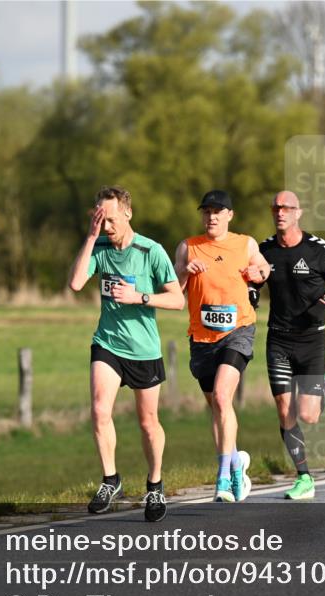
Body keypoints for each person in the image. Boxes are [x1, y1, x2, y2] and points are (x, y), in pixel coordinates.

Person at [67, 186, 184, 522]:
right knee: (100, 409)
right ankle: (110, 480)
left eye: (112, 220)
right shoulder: (100, 245)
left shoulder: (151, 251)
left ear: (128, 213)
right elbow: (76, 283)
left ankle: (155, 484)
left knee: (148, 423)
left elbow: (177, 300)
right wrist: (90, 238)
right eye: (101, 220)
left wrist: (139, 297)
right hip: (108, 343)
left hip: (144, 349)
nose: (107, 226)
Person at [249, 191, 325, 499]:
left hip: (311, 339)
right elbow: (253, 280)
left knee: (308, 416)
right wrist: (251, 290)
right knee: (284, 410)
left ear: (298, 212)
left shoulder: (317, 248)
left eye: (287, 208)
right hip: (278, 338)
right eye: (276, 207)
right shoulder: (264, 249)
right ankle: (304, 477)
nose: (280, 212)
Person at [175, 190, 271, 502]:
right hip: (202, 338)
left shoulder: (245, 243)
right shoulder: (188, 247)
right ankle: (236, 462)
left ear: (230, 215)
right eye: (206, 212)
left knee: (221, 396)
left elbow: (263, 268)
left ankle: (224, 477)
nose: (211, 217)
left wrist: (259, 273)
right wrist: (182, 273)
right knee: (217, 408)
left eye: (218, 211)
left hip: (238, 330)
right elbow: (175, 294)